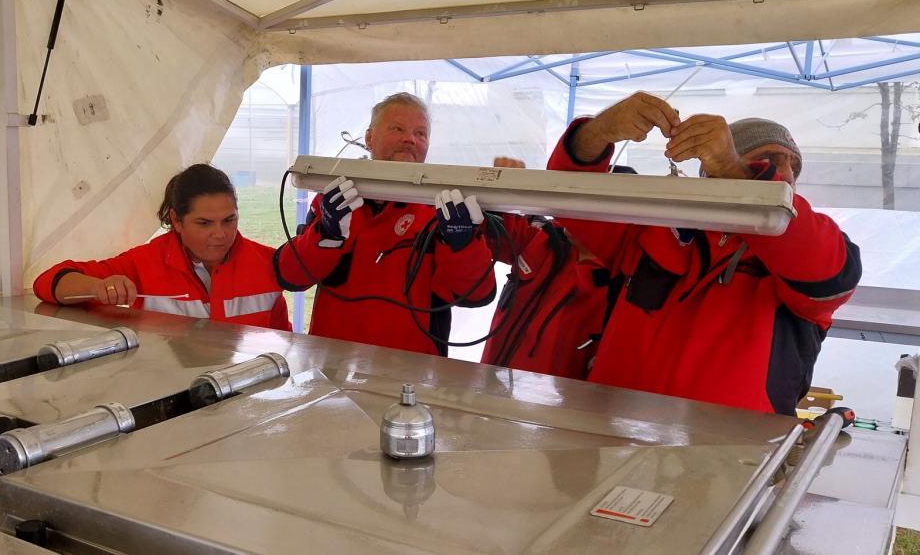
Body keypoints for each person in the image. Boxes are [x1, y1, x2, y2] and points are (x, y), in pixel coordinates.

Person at [547, 93, 861, 415]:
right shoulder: (650, 229)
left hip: (737, 443)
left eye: (793, 165)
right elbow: (564, 196)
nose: (787, 173)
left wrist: (735, 170)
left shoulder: (806, 247)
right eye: (769, 158)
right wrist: (598, 132)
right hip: (612, 429)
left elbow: (831, 277)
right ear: (710, 168)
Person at [273, 92, 496, 357]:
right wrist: (327, 235)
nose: (410, 139)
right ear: (369, 138)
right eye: (398, 129)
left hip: (412, 366)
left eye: (420, 133)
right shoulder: (336, 198)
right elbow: (290, 276)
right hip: (335, 361)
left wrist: (463, 245)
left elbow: (476, 295)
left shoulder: (443, 208)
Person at [33, 164, 290, 331]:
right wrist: (97, 287)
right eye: (204, 223)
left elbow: (285, 345)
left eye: (229, 220)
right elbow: (47, 283)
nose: (220, 234)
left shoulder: (269, 263)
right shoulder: (146, 262)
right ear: (176, 220)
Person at [480, 159, 613, 380]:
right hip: (490, 383)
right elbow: (492, 235)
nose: (578, 211)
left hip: (550, 400)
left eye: (593, 204)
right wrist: (500, 192)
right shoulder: (545, 240)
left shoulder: (619, 284)